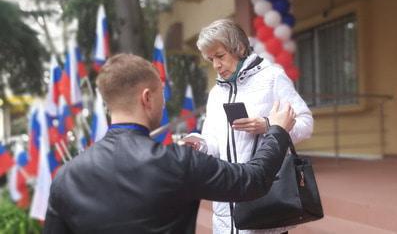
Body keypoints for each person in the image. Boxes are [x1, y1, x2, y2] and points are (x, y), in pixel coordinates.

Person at [43, 53, 297, 234]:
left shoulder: (65, 177)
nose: (163, 104)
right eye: (161, 94)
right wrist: (277, 130)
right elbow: (252, 180)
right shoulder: (177, 162)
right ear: (147, 98)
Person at [193, 19, 313, 233]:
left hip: (265, 200)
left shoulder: (272, 77)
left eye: (220, 56)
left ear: (238, 48)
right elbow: (213, 143)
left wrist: (268, 126)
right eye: (211, 59)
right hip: (224, 210)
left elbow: (305, 122)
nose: (216, 65)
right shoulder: (215, 94)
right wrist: (199, 146)